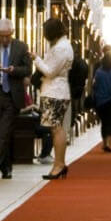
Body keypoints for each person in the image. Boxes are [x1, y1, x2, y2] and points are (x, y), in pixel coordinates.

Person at [0, 18, 32, 179]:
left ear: (12, 33)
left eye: (7, 36)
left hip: (12, 96)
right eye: (1, 36)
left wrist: (14, 70)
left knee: (3, 132)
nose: (4, 39)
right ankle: (6, 168)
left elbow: (28, 69)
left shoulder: (21, 47)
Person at [34, 17, 75, 179]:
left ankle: (59, 165)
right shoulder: (63, 46)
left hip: (55, 92)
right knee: (57, 128)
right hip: (57, 91)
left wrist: (36, 59)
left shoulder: (61, 48)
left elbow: (50, 71)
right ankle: (59, 164)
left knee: (56, 129)